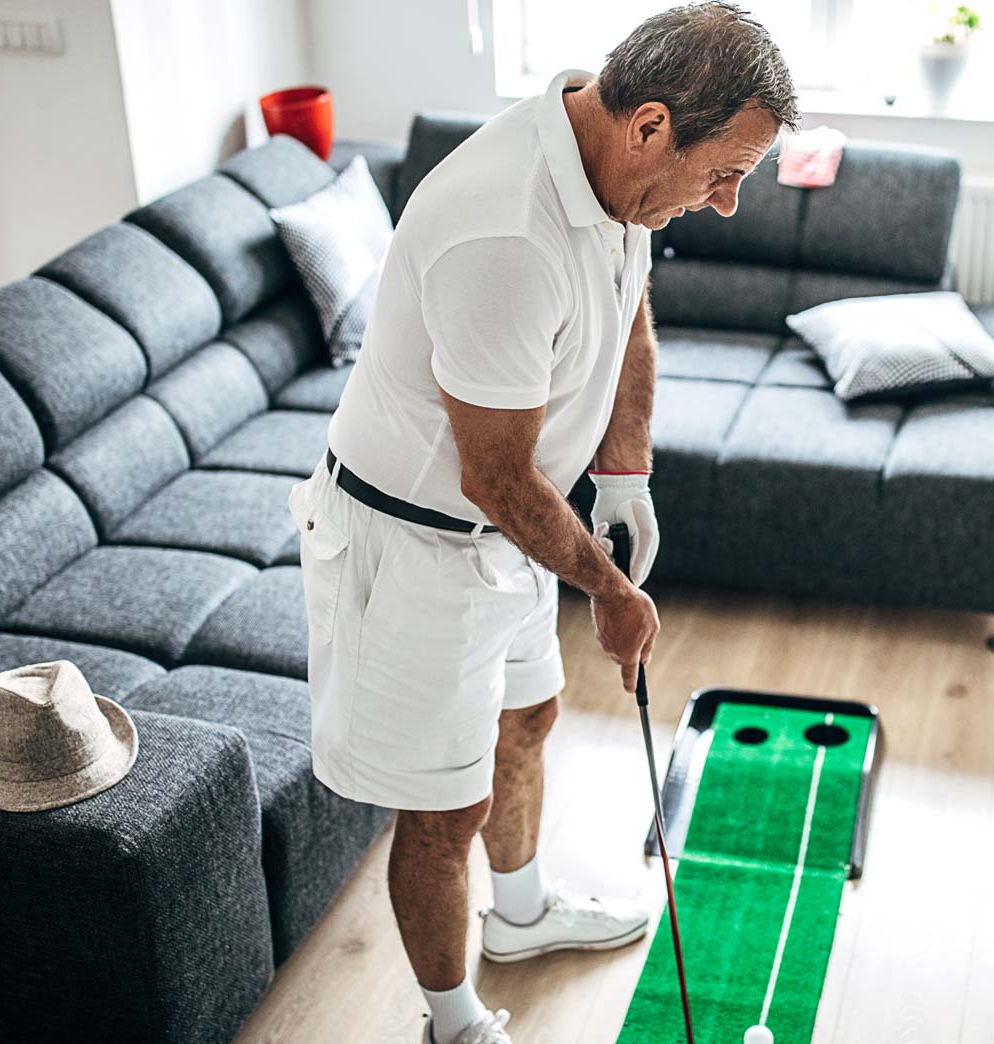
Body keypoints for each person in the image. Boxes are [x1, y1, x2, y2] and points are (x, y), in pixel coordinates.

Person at [292, 5, 798, 1043]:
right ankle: (452, 1022)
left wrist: (625, 474)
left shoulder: (614, 171)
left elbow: (626, 316)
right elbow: (493, 477)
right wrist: (607, 590)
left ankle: (518, 918)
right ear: (650, 126)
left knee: (529, 720)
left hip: (510, 538)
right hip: (420, 546)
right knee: (443, 812)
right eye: (722, 172)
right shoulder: (503, 230)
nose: (730, 202)